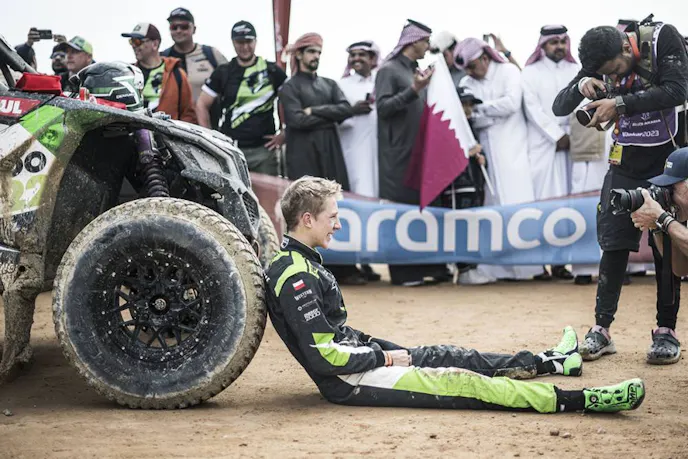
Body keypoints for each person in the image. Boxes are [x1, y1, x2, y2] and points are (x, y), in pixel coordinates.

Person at [264, 176, 645, 413]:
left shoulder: (302, 262)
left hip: (363, 359)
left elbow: (336, 335)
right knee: (462, 381)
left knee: (449, 354)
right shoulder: (294, 273)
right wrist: (385, 356)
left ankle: (553, 362)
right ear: (308, 219)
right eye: (332, 217)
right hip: (350, 380)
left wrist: (382, 348)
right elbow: (324, 356)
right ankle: (583, 400)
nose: (338, 224)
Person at [552, 18, 688, 364]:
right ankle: (601, 329)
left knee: (664, 247)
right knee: (613, 243)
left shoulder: (662, 39)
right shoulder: (599, 58)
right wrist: (582, 84)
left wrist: (620, 104)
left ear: (627, 47)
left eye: (614, 70)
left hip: (668, 162)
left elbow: (677, 90)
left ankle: (666, 331)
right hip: (624, 162)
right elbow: (559, 107)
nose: (611, 76)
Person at [280, 32, 369, 285]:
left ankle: (345, 269)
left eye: (318, 52)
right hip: (304, 156)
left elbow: (345, 110)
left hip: (331, 155)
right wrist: (328, 116)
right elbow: (297, 120)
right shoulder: (289, 87)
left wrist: (314, 111)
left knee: (334, 209)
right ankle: (309, 268)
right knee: (307, 211)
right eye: (311, 52)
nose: (315, 56)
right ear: (299, 55)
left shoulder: (329, 84)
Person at [456, 37, 541, 282]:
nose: (470, 72)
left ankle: (528, 268)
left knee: (519, 206)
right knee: (490, 209)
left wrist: (481, 110)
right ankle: (498, 269)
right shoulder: (466, 82)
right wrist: (489, 112)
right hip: (485, 158)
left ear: (485, 58)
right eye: (466, 68)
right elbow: (469, 117)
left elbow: (511, 104)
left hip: (513, 153)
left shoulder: (508, 72)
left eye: (473, 66)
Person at [375, 19, 450, 287]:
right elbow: (383, 108)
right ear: (413, 41)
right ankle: (404, 274)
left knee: (423, 210)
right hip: (398, 156)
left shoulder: (415, 71)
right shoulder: (389, 70)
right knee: (402, 212)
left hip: (421, 155)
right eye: (425, 41)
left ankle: (428, 267)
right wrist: (414, 90)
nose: (428, 46)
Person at [522, 25, 580, 281]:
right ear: (542, 45)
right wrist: (557, 136)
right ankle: (538, 264)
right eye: (553, 42)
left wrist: (572, 136)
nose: (559, 46)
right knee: (544, 204)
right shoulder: (530, 72)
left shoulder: (576, 71)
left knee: (569, 205)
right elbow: (532, 109)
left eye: (562, 41)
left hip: (575, 144)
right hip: (543, 146)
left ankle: (561, 263)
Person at [196, 21, 286, 175]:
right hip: (231, 150)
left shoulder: (272, 70)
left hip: (264, 151)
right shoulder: (223, 72)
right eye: (240, 42)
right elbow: (201, 104)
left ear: (256, 41)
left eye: (249, 41)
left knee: (269, 191)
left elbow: (290, 100)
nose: (245, 47)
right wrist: (209, 138)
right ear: (233, 42)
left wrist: (284, 132)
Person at [338, 40, 383, 283]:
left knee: (373, 207)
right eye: (353, 55)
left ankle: (367, 261)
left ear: (372, 58)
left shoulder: (380, 82)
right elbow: (337, 117)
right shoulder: (342, 85)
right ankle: (352, 263)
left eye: (362, 55)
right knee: (355, 206)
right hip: (352, 154)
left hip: (377, 155)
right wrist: (353, 110)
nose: (356, 59)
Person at [446, 87, 491, 285]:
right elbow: (443, 157)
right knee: (461, 228)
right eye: (464, 104)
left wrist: (482, 159)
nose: (468, 109)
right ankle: (463, 269)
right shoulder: (448, 126)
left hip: (474, 184)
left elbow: (474, 153)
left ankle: (471, 267)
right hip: (458, 187)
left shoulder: (470, 126)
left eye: (470, 105)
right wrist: (466, 154)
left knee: (473, 227)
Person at [122, 23, 196, 123]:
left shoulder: (176, 73)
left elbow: (188, 113)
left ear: (155, 44)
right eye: (131, 41)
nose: (133, 46)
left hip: (167, 131)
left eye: (138, 41)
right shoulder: (128, 74)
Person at [161, 7, 228, 102]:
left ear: (194, 29)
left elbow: (230, 83)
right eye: (174, 27)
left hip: (207, 111)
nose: (178, 30)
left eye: (184, 27)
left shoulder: (211, 54)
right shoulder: (163, 58)